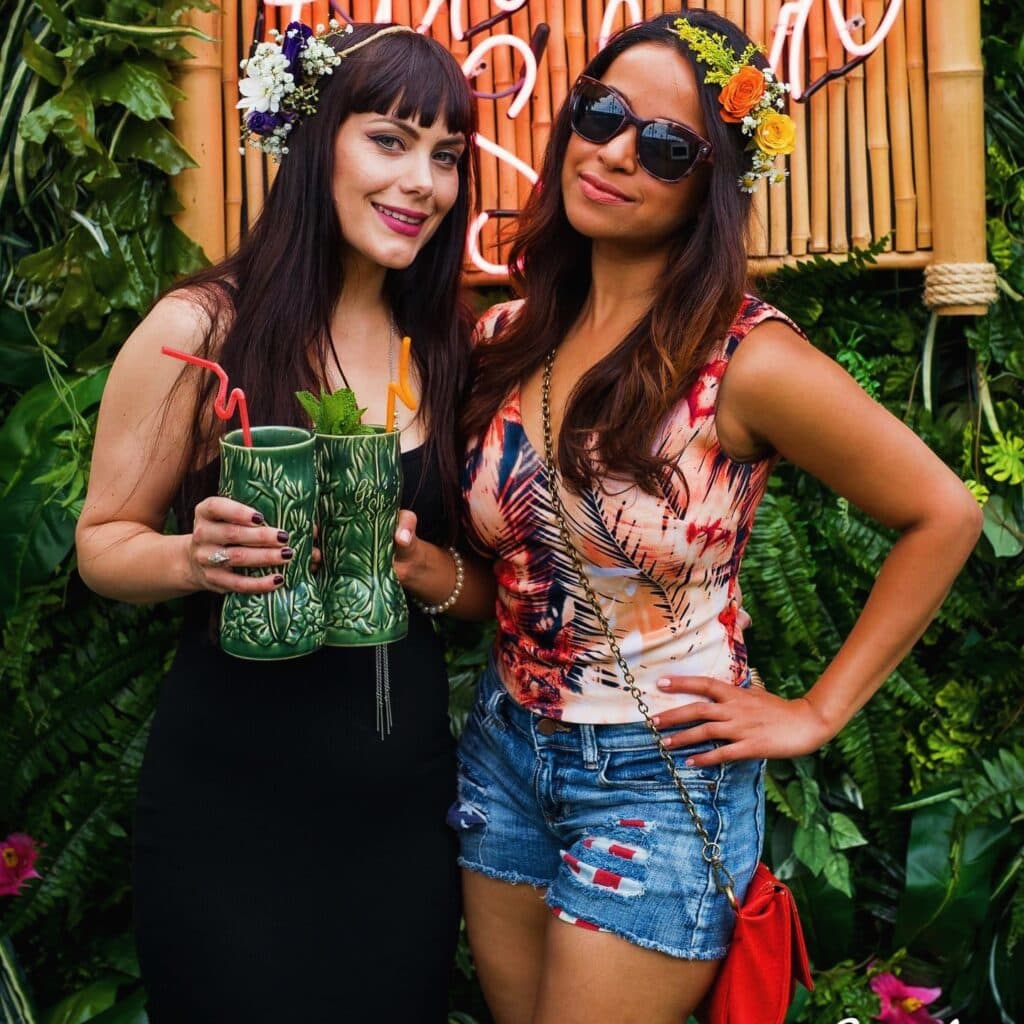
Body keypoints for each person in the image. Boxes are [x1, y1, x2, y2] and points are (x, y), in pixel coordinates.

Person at [455, 11, 983, 1024]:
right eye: (599, 114)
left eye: (664, 147)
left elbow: (942, 513)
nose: (612, 153)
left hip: (655, 784)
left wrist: (817, 712)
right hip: (504, 748)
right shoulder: (508, 332)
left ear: (711, 184)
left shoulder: (746, 361)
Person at [76, 22, 494, 1023]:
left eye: (445, 157)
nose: (422, 183)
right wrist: (192, 556)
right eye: (389, 140)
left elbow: (486, 592)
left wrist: (429, 567)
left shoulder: (446, 347)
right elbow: (102, 543)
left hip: (400, 817)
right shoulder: (201, 329)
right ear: (313, 141)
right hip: (230, 810)